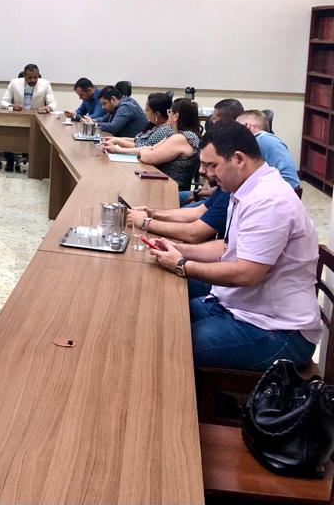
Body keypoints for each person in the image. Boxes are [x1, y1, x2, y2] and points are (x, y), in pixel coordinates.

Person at [148, 122, 320, 371]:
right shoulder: (246, 189)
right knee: (167, 317)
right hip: (242, 309)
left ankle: (213, 406)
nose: (206, 173)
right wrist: (177, 248)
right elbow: (227, 248)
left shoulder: (269, 200)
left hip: (280, 331)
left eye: (211, 165)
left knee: (176, 344)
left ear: (238, 159)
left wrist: (182, 265)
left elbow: (246, 273)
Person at [104, 98, 201, 190]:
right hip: (160, 181)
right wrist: (118, 150)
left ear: (176, 116)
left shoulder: (181, 138)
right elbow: (150, 148)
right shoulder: (175, 135)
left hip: (169, 188)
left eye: (170, 112)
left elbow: (148, 157)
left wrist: (146, 151)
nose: (168, 115)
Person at [126, 169, 231, 244]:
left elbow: (194, 233)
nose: (201, 170)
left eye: (211, 164)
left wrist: (145, 222)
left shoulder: (229, 192)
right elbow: (197, 212)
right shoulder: (226, 186)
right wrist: (151, 214)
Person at [237, 110, 301, 193]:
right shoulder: (264, 139)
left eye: (237, 127)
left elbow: (290, 181)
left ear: (247, 126)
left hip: (281, 193)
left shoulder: (263, 140)